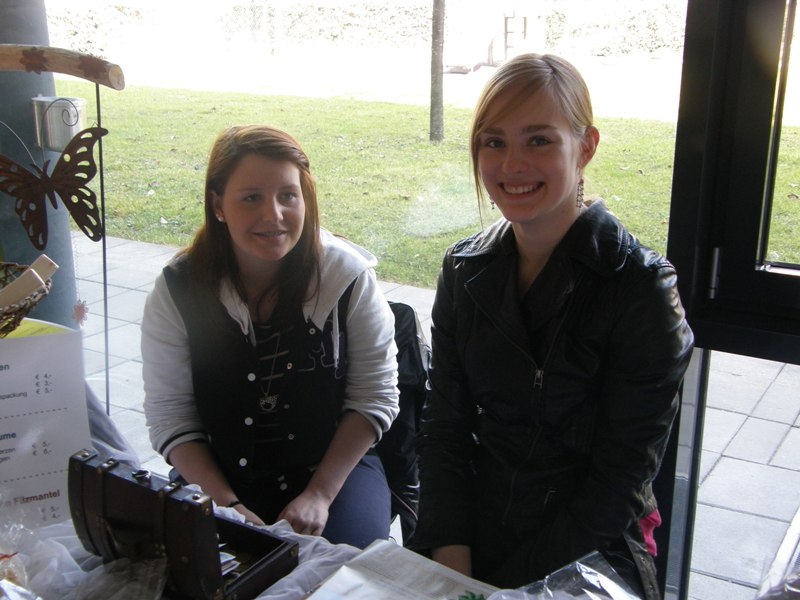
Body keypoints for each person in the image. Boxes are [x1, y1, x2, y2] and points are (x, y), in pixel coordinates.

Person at [409, 53, 694, 598]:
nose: (512, 164)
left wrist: (502, 589)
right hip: (471, 531)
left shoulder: (640, 288)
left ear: (585, 147)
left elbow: (618, 484)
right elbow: (444, 429)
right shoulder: (464, 270)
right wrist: (452, 554)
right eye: (494, 142)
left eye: (538, 140)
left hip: (588, 551)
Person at [141, 125, 399, 549]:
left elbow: (374, 396)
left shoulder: (346, 278)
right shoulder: (177, 289)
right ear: (218, 205)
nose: (273, 215)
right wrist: (226, 505)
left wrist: (319, 495)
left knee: (342, 574)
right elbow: (171, 416)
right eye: (251, 198)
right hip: (219, 478)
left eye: (288, 196)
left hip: (334, 472)